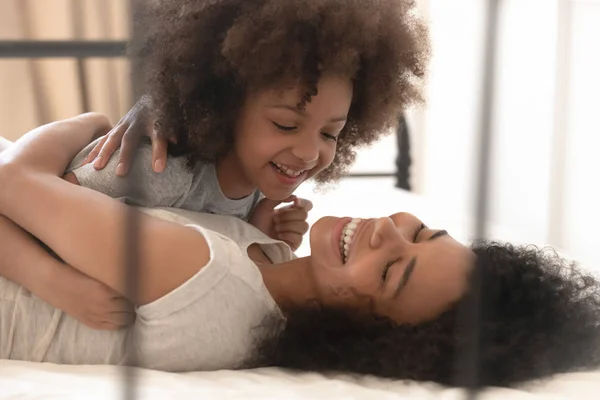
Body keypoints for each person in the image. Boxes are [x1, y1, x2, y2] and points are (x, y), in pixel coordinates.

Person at [1, 115, 600, 387]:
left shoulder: (210, 285)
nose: (385, 231)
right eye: (419, 231)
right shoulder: (268, 257)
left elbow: (12, 181)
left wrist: (94, 124)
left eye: (391, 270)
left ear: (367, 331)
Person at [65, 0, 430, 252]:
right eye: (286, 125)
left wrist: (257, 237)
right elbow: (32, 205)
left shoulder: (260, 191)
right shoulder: (163, 169)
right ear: (223, 103)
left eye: (329, 133)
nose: (307, 152)